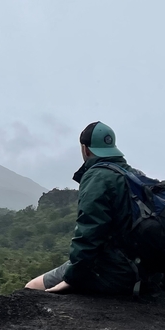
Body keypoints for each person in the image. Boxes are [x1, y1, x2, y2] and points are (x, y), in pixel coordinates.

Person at [26, 121, 140, 296]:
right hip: (147, 273)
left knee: (32, 288)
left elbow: (89, 235)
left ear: (85, 149)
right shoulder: (134, 176)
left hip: (116, 274)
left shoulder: (97, 176)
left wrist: (72, 279)